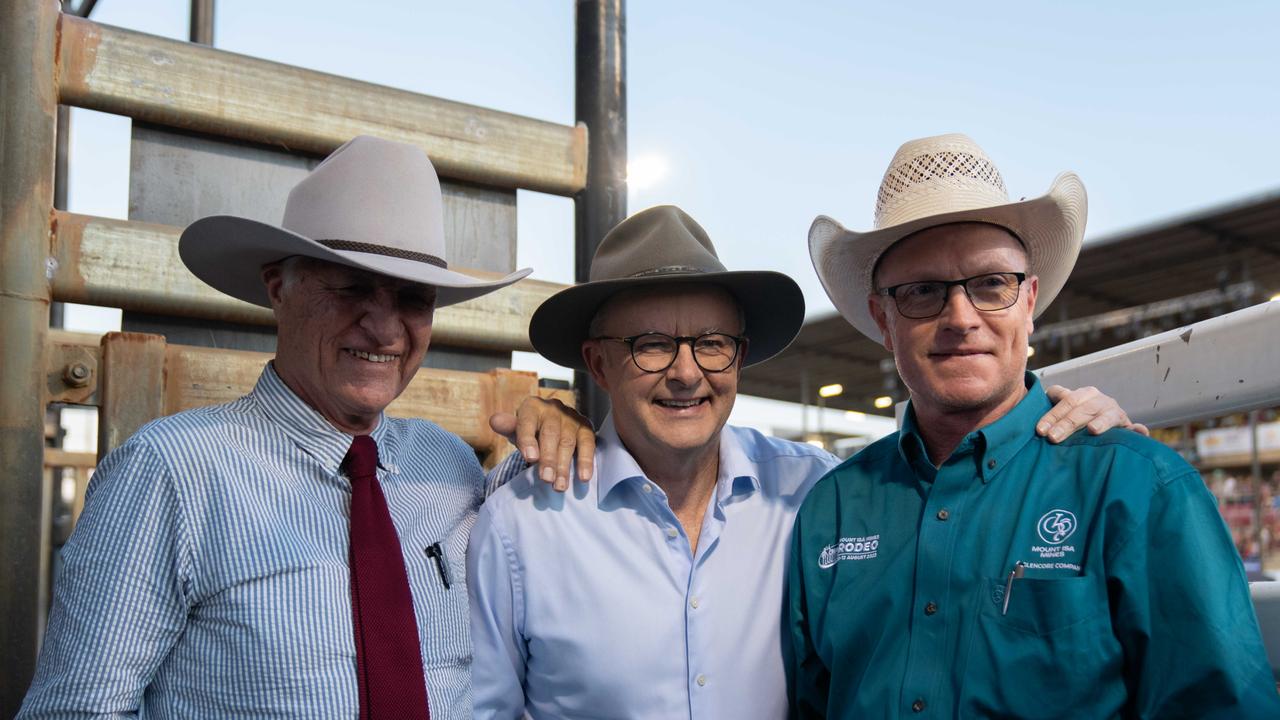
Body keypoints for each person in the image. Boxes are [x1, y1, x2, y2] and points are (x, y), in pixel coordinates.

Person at [467, 204, 1140, 719]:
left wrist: (1067, 415)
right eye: (649, 345)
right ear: (598, 364)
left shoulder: (818, 494)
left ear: (740, 355)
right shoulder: (523, 524)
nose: (685, 372)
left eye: (711, 343)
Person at [18, 136, 592, 719]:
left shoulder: (447, 465)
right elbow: (80, 708)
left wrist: (556, 426)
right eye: (350, 288)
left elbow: (547, 522)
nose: (386, 328)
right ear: (278, 287)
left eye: (414, 299)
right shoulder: (170, 471)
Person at [789, 133, 1280, 717]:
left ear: (1029, 300)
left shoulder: (1140, 487)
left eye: (991, 284)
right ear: (883, 317)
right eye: (922, 292)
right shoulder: (831, 509)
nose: (961, 318)